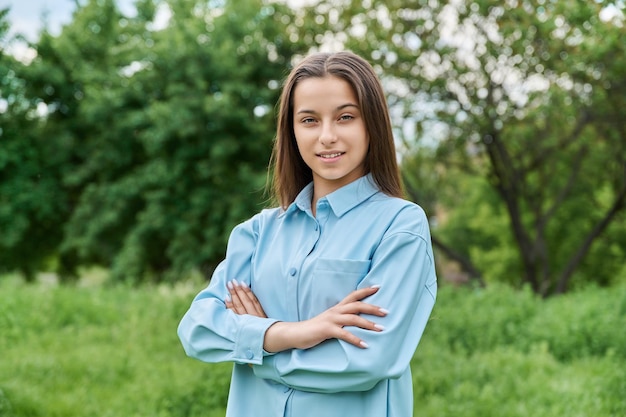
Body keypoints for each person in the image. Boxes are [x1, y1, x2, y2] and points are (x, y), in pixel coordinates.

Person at [177, 51, 437, 417]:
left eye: (345, 117)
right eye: (309, 120)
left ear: (372, 125)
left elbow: (367, 360)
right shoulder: (257, 233)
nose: (327, 136)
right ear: (292, 130)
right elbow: (197, 329)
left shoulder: (401, 226)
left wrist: (255, 351)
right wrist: (297, 333)